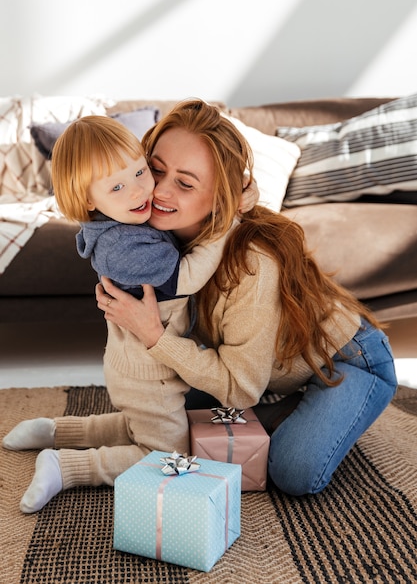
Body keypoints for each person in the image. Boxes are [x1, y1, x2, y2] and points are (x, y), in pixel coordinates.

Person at [91, 98, 397, 497]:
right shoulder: (154, 232)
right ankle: (279, 410)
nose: (159, 192)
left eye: (185, 183)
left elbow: (240, 387)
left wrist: (155, 337)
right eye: (155, 170)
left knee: (294, 472)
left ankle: (294, 412)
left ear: (220, 195)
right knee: (168, 411)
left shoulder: (252, 263)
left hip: (348, 359)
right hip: (267, 367)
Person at [2, 114, 253, 513]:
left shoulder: (117, 222)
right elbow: (186, 275)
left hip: (139, 365)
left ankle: (55, 431)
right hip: (149, 371)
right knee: (167, 455)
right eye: (117, 186)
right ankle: (67, 467)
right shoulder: (124, 248)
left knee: (144, 422)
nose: (140, 191)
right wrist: (229, 223)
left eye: (140, 171)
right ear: (88, 200)